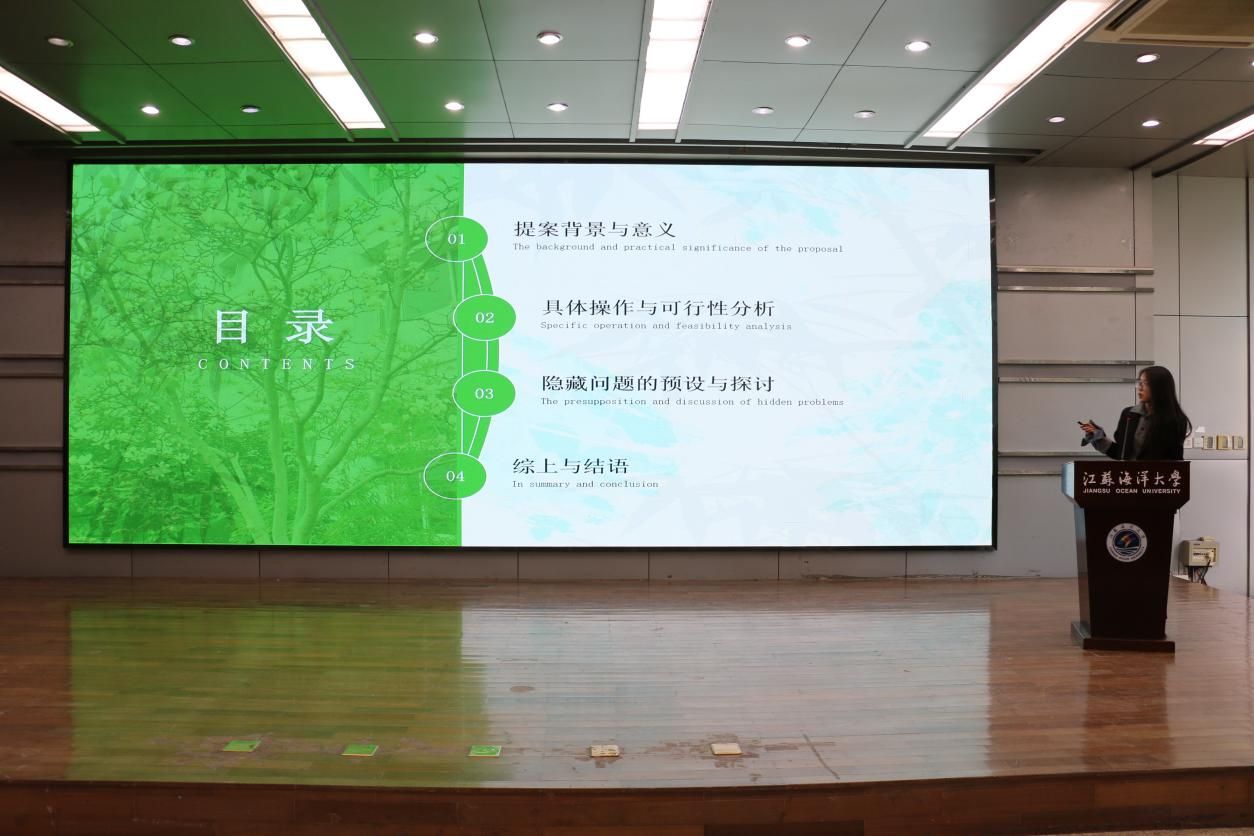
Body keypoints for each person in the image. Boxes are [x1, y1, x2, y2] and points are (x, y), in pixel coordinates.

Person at [1078, 366, 1190, 460]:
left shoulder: (1176, 419)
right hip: (1131, 477)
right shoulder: (1129, 414)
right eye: (1139, 383)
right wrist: (1099, 437)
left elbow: (1175, 459)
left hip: (1158, 478)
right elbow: (1121, 454)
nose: (1139, 388)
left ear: (1160, 388)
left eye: (1145, 383)